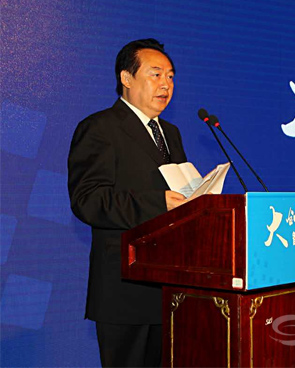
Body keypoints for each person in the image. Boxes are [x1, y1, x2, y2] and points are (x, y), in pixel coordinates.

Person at [68, 38, 187, 367]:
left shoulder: (171, 133)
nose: (166, 84)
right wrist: (158, 204)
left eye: (171, 76)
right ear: (126, 78)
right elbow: (88, 199)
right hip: (125, 287)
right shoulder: (100, 128)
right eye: (155, 74)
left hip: (172, 288)